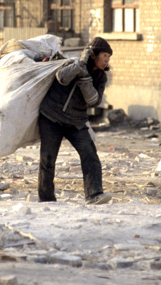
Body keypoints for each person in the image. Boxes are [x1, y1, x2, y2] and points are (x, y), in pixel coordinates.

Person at [38, 37, 113, 205]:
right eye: (104, 55)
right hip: (51, 117)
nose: (107, 60)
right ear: (93, 55)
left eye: (109, 56)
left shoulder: (101, 77)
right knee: (48, 159)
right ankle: (46, 199)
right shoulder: (72, 63)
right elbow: (62, 77)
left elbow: (93, 101)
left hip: (76, 122)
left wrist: (85, 78)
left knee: (89, 154)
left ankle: (94, 194)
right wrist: (80, 65)